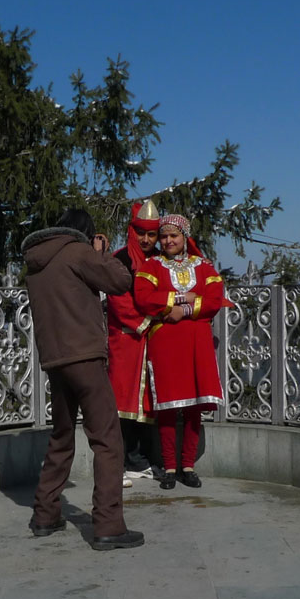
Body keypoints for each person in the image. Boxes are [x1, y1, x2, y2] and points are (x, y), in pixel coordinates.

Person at [21, 209, 145, 550]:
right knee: (107, 440)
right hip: (85, 357)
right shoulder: (77, 252)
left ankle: (45, 515)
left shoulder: (36, 262)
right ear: (85, 232)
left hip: (54, 359)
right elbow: (120, 280)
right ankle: (109, 525)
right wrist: (98, 253)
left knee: (61, 437)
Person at [133, 213, 231, 490]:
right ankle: (169, 467)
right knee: (167, 406)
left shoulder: (204, 266)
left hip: (197, 342)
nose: (167, 241)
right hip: (165, 342)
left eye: (173, 236)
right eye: (164, 236)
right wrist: (179, 298)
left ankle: (187, 466)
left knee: (193, 407)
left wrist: (185, 309)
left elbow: (214, 300)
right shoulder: (152, 266)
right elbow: (143, 297)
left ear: (185, 237)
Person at [107, 200, 164, 482]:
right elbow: (118, 301)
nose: (146, 239)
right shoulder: (120, 260)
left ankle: (139, 461)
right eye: (141, 233)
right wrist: (150, 320)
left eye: (151, 234)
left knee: (148, 405)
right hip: (127, 341)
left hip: (152, 342)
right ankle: (118, 463)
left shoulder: (161, 261)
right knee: (123, 404)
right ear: (132, 231)